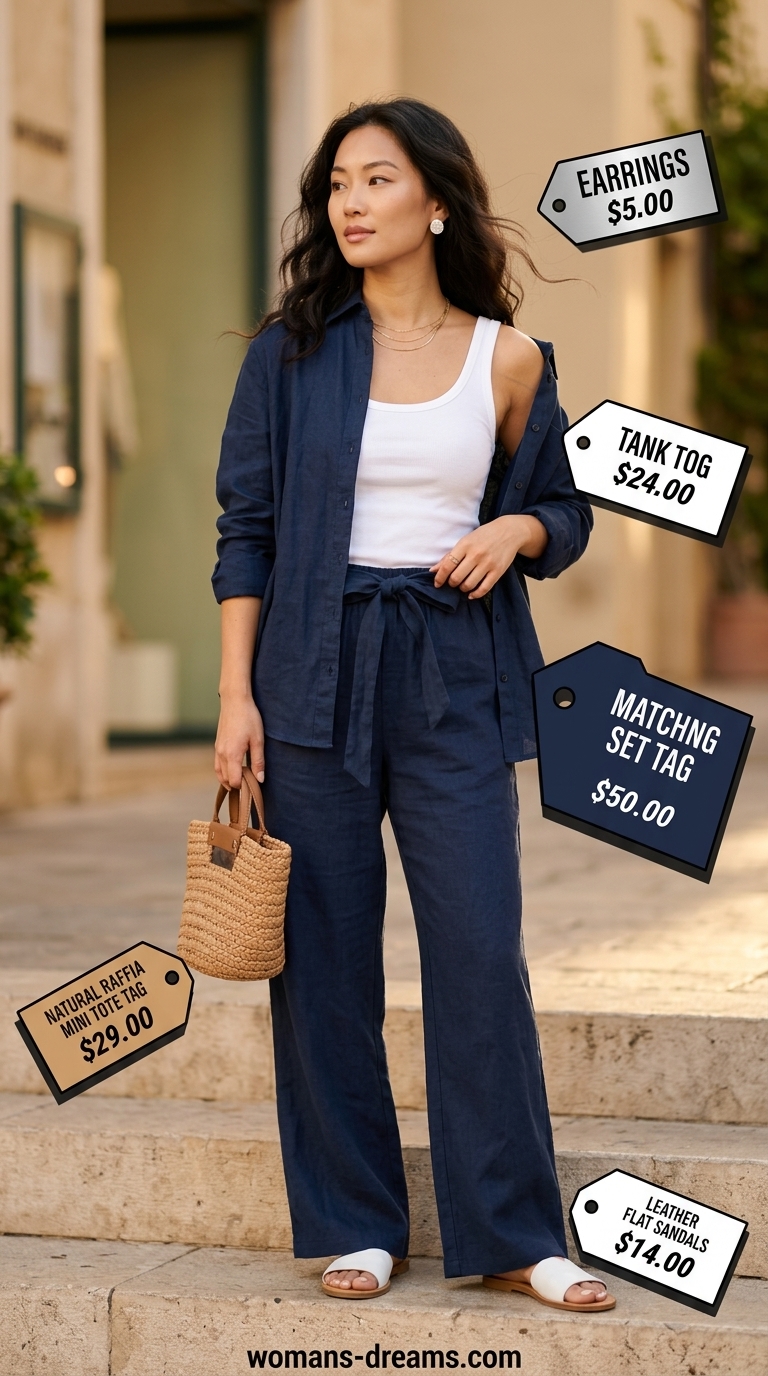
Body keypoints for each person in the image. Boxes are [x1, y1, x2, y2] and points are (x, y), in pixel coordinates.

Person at [213, 98, 613, 1313]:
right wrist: (236, 697)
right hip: (309, 674)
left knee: (480, 948)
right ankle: (355, 1222)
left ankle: (511, 1231)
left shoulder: (510, 356)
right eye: (337, 182)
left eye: (376, 179)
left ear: (434, 200)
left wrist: (517, 525)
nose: (349, 201)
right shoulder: (291, 350)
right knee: (324, 958)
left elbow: (567, 506)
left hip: (450, 672)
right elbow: (248, 531)